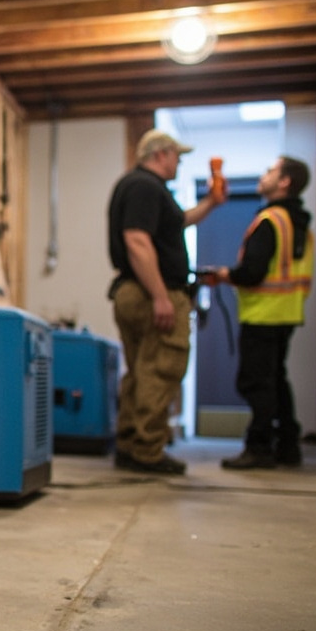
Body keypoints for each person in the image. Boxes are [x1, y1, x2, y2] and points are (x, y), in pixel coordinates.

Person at [107, 129, 227, 475]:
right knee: (160, 371)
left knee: (141, 372)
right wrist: (161, 296)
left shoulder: (144, 188)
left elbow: (178, 222)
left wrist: (211, 204)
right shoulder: (145, 187)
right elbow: (137, 241)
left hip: (133, 290)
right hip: (150, 292)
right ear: (160, 154)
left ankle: (131, 446)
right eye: (177, 156)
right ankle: (147, 452)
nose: (179, 163)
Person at [202, 156, 314, 469]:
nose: (263, 175)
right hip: (287, 313)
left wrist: (225, 274)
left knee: (256, 383)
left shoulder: (271, 220)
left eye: (270, 171)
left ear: (284, 182)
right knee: (276, 380)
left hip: (263, 314)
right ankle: (288, 446)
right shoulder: (298, 220)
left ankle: (260, 447)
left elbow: (252, 272)